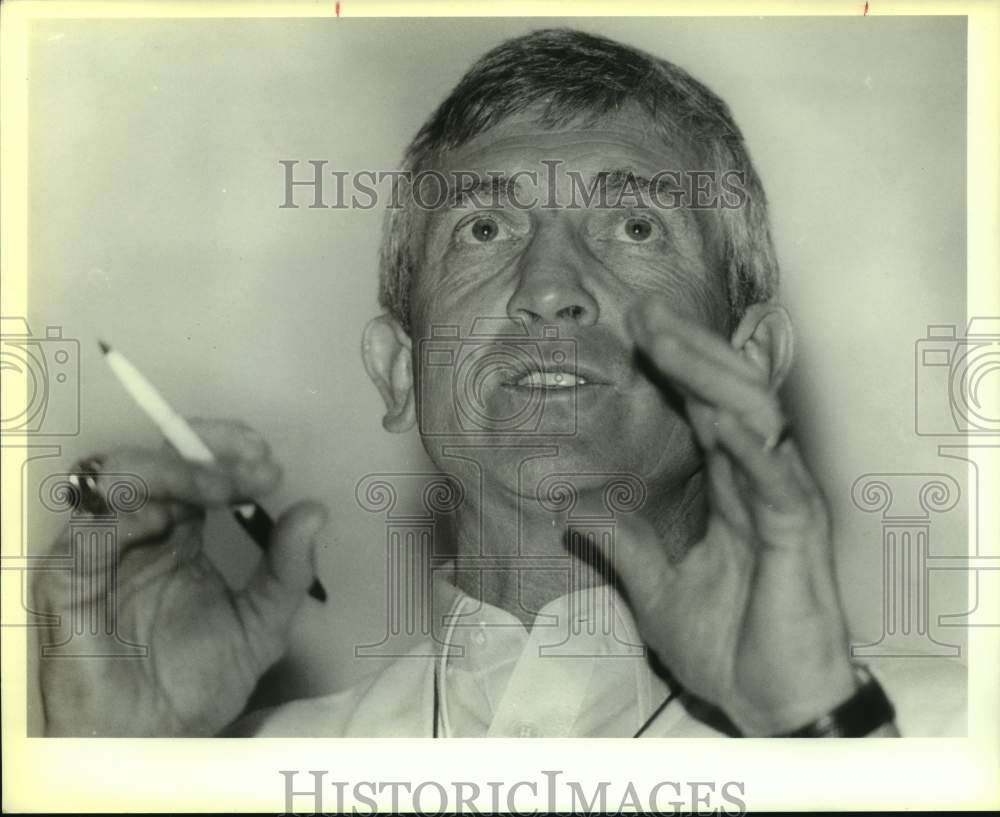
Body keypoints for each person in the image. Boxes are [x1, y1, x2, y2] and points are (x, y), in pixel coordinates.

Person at [34, 28, 965, 738]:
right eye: (484, 230)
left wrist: (816, 731)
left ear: (750, 356)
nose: (549, 289)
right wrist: (115, 768)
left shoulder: (930, 740)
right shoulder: (254, 767)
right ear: (400, 369)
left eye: (635, 227)